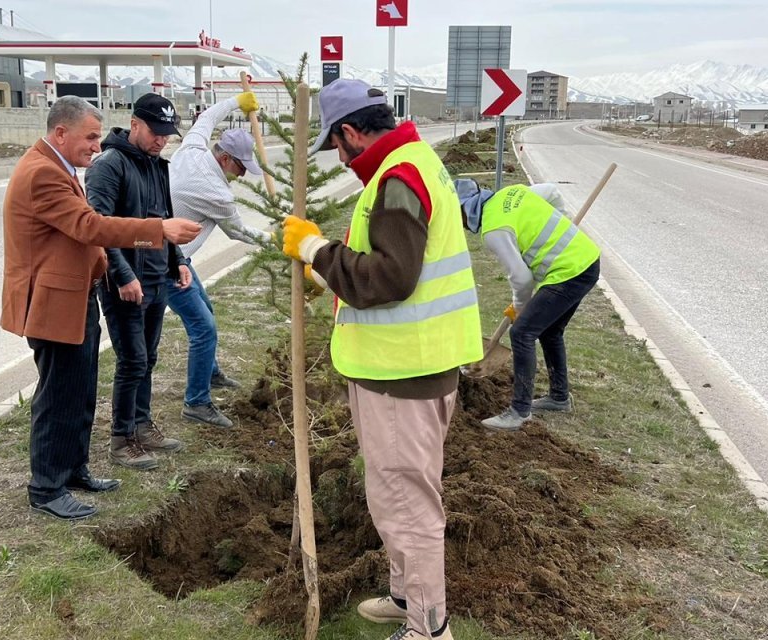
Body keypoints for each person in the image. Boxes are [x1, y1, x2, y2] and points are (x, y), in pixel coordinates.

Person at [282, 79, 482, 640]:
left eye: (337, 148)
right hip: (404, 368)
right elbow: (389, 263)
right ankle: (406, 595)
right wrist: (333, 279)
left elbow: (392, 276)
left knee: (407, 507)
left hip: (403, 375)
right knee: (394, 495)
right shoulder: (411, 163)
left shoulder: (398, 176)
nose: (341, 161)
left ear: (350, 133)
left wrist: (316, 250)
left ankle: (427, 628)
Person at [0, 96, 200, 520]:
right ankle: (47, 488)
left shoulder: (59, 168)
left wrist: (110, 264)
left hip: (75, 297)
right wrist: (158, 231)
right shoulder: (42, 174)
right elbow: (89, 224)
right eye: (90, 137)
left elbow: (78, 237)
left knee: (81, 390)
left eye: (97, 136)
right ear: (60, 133)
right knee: (58, 396)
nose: (97, 145)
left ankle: (74, 471)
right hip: (52, 303)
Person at [85, 93, 189, 472]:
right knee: (132, 361)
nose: (162, 140)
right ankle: (121, 438)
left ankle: (142, 425)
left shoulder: (158, 167)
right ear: (134, 124)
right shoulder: (108, 166)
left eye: (167, 134)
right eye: (155, 132)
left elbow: (164, 220)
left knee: (149, 358)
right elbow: (98, 226)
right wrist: (122, 275)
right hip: (125, 285)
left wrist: (178, 260)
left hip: (156, 278)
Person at [455, 179, 601, 431]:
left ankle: (519, 411)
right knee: (550, 330)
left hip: (568, 272)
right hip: (587, 260)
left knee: (522, 332)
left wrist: (519, 308)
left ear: (465, 209)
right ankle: (559, 397)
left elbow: (521, 278)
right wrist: (563, 222)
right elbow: (553, 192)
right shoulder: (512, 193)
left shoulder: (493, 229)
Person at [167, 90, 269, 428]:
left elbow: (208, 116)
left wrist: (237, 102)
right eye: (241, 167)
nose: (242, 174)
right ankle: (196, 402)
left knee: (206, 314)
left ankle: (209, 373)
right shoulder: (215, 191)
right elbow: (240, 232)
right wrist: (285, 242)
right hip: (165, 262)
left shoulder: (193, 147)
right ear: (224, 158)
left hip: (178, 257)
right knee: (203, 328)